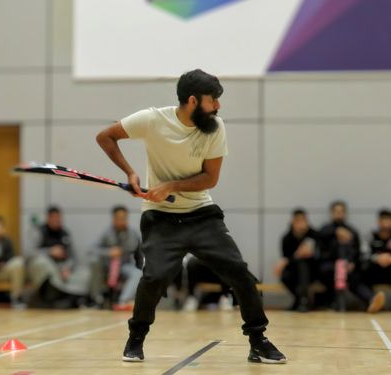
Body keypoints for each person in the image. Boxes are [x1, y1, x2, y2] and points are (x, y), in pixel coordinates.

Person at [96, 69, 286, 364]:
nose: (219, 107)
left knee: (240, 273)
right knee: (155, 276)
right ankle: (136, 338)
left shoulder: (215, 127)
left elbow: (210, 178)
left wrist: (171, 185)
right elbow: (105, 136)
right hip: (160, 217)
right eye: (214, 101)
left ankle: (257, 340)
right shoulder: (152, 120)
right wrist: (130, 173)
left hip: (201, 214)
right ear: (194, 101)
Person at [318, 201, 383, 312]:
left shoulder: (352, 231)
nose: (339, 214)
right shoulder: (325, 230)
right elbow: (319, 245)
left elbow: (358, 252)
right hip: (329, 267)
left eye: (341, 212)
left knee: (355, 278)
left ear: (345, 213)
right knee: (333, 272)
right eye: (336, 212)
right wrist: (336, 231)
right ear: (332, 213)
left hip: (348, 267)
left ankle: (371, 299)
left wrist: (352, 263)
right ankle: (332, 302)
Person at [28, 206, 89, 308]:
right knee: (41, 263)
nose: (57, 220)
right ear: (49, 218)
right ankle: (48, 298)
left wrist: (68, 268)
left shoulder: (65, 233)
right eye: (54, 217)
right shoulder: (40, 232)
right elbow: (30, 253)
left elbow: (73, 256)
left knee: (84, 273)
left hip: (63, 268)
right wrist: (50, 252)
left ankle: (74, 299)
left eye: (59, 217)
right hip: (48, 269)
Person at [90, 205, 142, 310]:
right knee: (94, 261)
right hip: (107, 266)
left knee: (137, 272)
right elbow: (92, 249)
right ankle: (95, 299)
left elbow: (140, 252)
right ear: (113, 219)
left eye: (124, 218)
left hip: (124, 266)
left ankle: (123, 301)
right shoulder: (106, 232)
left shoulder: (133, 233)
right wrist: (108, 252)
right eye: (119, 218)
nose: (122, 221)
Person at [275, 209, 319, 312]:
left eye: (303, 220)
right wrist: (295, 256)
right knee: (284, 275)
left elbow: (317, 256)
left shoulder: (314, 235)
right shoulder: (286, 238)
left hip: (312, 270)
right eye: (297, 221)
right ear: (292, 222)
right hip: (293, 270)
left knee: (303, 265)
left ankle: (303, 301)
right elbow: (286, 258)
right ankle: (300, 299)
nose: (300, 224)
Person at [0, 215, 26, 308]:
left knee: (18, 263)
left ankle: (16, 298)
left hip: (4, 269)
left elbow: (11, 255)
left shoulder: (7, 241)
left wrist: (2, 262)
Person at [362, 209, 391, 312]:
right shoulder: (370, 236)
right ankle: (372, 300)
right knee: (355, 275)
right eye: (383, 221)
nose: (386, 224)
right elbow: (363, 255)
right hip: (374, 270)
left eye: (389, 221)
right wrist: (377, 258)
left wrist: (390, 259)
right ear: (378, 222)